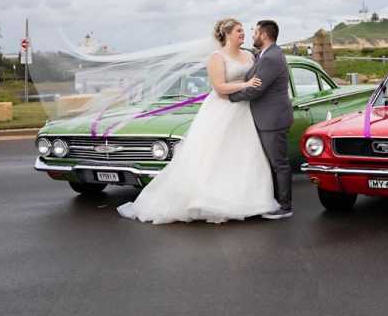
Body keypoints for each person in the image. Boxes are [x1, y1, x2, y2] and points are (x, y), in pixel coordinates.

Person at [117, 18, 279, 224]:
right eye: (238, 30)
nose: (243, 33)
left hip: (245, 110)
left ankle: (252, 199)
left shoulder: (249, 55)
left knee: (245, 153)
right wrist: (244, 84)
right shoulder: (216, 58)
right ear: (227, 34)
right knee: (217, 153)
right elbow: (219, 87)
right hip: (223, 110)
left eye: (243, 30)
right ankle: (211, 199)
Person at [228, 20, 295, 219]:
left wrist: (229, 97)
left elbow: (256, 89)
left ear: (264, 35)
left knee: (279, 163)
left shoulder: (270, 58)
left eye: (255, 32)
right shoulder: (266, 55)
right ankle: (274, 201)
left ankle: (285, 206)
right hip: (268, 117)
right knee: (272, 163)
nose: (253, 35)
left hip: (273, 119)